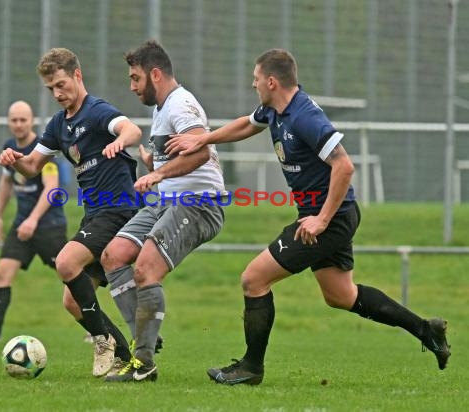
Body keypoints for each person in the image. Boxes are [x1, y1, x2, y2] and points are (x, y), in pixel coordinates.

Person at [165, 48, 451, 385]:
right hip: (330, 216)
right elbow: (247, 124)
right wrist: (203, 139)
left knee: (253, 279)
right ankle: (426, 330)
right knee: (341, 295)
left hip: (329, 218)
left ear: (272, 82)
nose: (253, 85)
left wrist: (321, 220)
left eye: (256, 80)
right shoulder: (274, 111)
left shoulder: (304, 116)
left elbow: (344, 166)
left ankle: (250, 368)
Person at [0, 48, 141, 377]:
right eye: (51, 89)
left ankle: (102, 340)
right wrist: (14, 159)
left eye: (62, 85)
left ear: (77, 75)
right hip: (94, 215)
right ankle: (126, 356)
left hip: (118, 209)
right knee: (72, 301)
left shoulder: (97, 111)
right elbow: (33, 166)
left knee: (65, 261)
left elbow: (132, 130)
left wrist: (120, 141)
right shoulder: (58, 125)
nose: (57, 94)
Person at [101, 40, 227, 382]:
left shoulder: (181, 105)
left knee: (145, 270)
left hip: (199, 203)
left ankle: (142, 363)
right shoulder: (162, 109)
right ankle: (146, 339)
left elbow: (201, 151)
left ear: (155, 74)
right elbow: (178, 157)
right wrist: (153, 163)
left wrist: (157, 173)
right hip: (167, 201)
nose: (132, 86)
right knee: (113, 256)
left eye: (136, 78)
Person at [0, 100, 69, 343]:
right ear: (9, 122)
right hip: (21, 225)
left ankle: (93, 329)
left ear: (31, 121)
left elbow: (51, 189)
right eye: (14, 120)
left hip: (48, 225)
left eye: (23, 119)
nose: (19, 124)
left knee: (69, 273)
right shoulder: (9, 147)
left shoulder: (43, 148)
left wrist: (33, 220)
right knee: (2, 272)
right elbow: (6, 183)